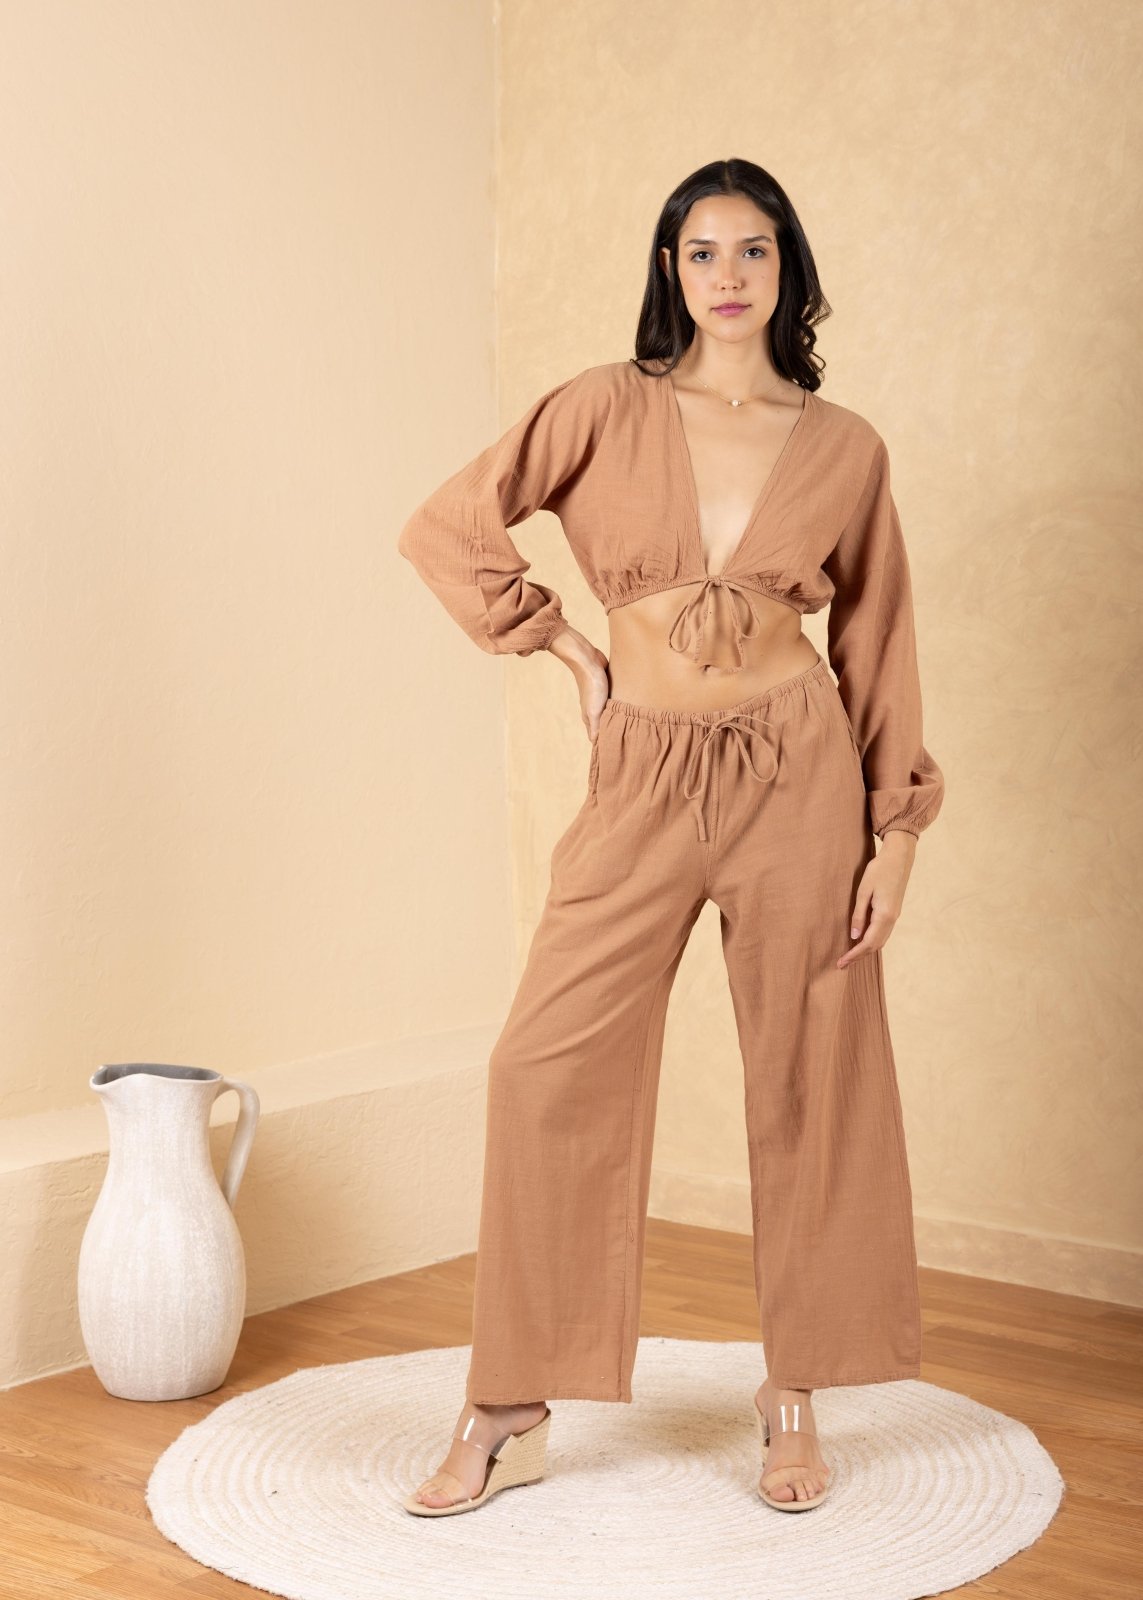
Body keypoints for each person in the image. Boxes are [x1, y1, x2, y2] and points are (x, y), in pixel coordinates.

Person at [396, 157, 945, 1516]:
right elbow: (450, 524)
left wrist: (895, 832)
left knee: (811, 1075)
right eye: (703, 252)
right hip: (642, 772)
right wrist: (567, 648)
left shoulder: (845, 444)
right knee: (543, 1063)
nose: (728, 276)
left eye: (753, 250)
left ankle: (794, 1387)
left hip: (800, 777)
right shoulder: (604, 405)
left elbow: (876, 636)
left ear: (786, 266)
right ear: (671, 270)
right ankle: (509, 1402)